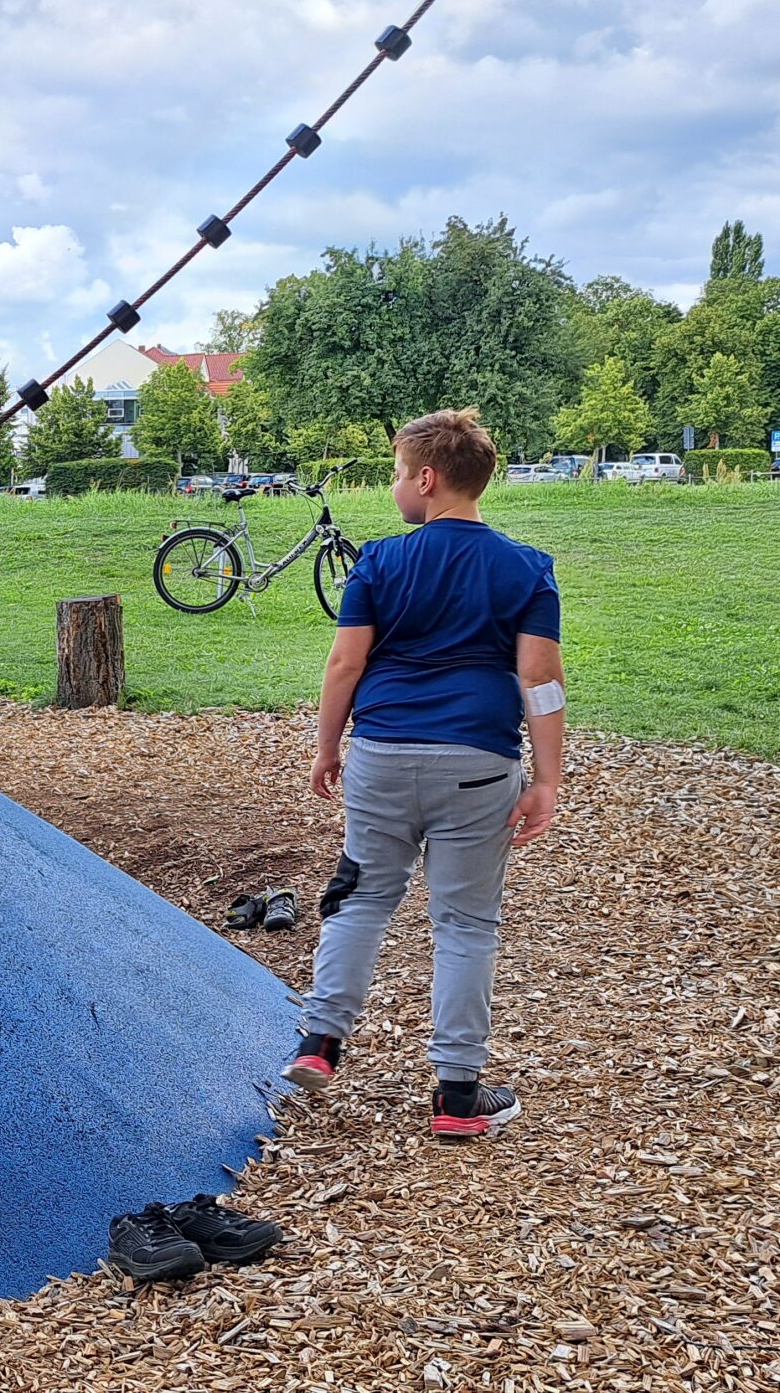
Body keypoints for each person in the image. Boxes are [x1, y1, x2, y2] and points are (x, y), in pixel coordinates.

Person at [281, 408, 564, 1138]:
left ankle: (319, 1044)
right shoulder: (527, 569)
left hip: (381, 755)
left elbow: (344, 664)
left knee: (361, 899)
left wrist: (327, 747)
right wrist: (547, 779)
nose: (395, 487)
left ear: (427, 479)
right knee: (466, 923)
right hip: (479, 764)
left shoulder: (379, 562)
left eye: (398, 474)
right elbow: (541, 681)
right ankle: (457, 1097)